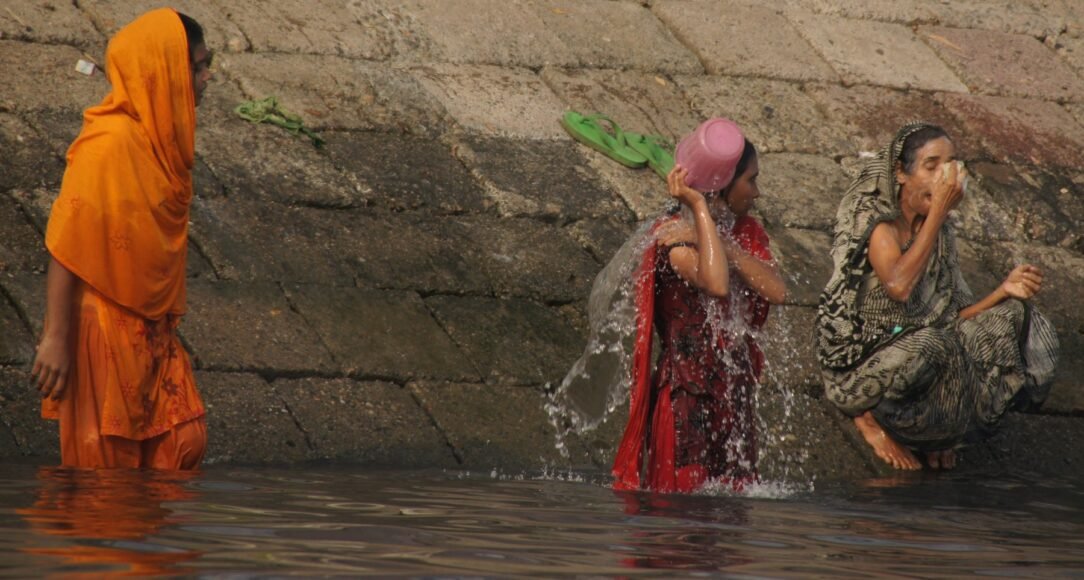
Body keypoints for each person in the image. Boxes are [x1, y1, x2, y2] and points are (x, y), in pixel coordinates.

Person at [554, 120, 786, 493]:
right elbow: (716, 282)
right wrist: (697, 209)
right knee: (679, 516)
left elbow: (777, 291)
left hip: (733, 393)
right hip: (684, 399)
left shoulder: (743, 234)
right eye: (751, 180)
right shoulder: (672, 239)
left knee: (732, 519)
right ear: (721, 187)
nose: (757, 192)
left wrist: (717, 239)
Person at [28, 9, 213, 469]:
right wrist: (55, 338)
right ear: (165, 70)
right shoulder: (108, 143)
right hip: (102, 329)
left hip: (154, 331)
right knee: (105, 479)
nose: (207, 78)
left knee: (182, 447)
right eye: (197, 66)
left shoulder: (165, 144)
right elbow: (68, 241)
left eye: (208, 66)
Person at [815, 122, 1059, 470]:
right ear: (901, 173)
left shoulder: (940, 231)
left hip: (925, 350)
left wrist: (1003, 291)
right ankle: (867, 418)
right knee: (933, 345)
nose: (945, 177)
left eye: (949, 166)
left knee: (1018, 318)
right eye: (931, 166)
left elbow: (954, 319)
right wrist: (940, 212)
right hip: (863, 363)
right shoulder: (878, 225)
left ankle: (942, 432)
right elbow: (899, 286)